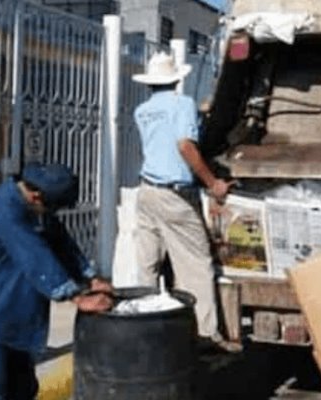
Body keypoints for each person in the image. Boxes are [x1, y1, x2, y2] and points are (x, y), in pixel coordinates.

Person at [0, 162, 114, 399]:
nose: (53, 214)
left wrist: (89, 277)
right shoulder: (6, 211)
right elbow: (34, 255)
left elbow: (60, 241)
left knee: (22, 389)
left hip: (15, 312)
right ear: (36, 196)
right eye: (52, 208)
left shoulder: (33, 205)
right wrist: (76, 297)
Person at [131, 51, 235, 350]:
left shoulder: (142, 110)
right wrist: (213, 183)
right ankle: (205, 334)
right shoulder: (183, 104)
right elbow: (185, 147)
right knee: (195, 263)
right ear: (177, 79)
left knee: (148, 264)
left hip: (147, 191)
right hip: (175, 195)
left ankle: (145, 330)